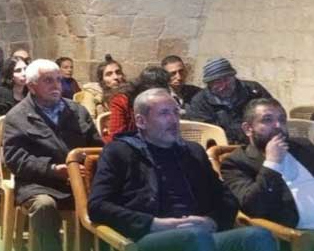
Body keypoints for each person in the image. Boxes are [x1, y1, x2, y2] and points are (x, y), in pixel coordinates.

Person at [88, 89, 276, 251]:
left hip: (201, 235)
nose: (174, 120)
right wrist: (153, 224)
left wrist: (211, 221)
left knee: (257, 235)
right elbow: (98, 206)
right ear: (141, 121)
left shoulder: (192, 152)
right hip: (147, 238)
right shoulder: (120, 152)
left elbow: (226, 199)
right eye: (164, 113)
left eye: (176, 112)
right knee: (193, 237)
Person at [3, 59, 102, 251]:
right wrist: (53, 169)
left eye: (58, 80)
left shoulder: (77, 111)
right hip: (38, 184)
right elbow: (15, 159)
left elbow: (96, 147)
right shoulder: (17, 116)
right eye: (48, 80)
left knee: (108, 200)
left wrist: (86, 167)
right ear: (32, 86)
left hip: (79, 181)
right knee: (44, 206)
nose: (56, 85)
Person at [221, 98, 314, 231]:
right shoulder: (236, 163)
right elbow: (253, 207)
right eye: (267, 120)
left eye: (282, 119)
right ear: (248, 129)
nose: (278, 125)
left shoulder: (302, 145)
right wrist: (272, 163)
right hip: (299, 233)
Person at [186, 57, 273, 144]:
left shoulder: (253, 90)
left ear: (234, 77)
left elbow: (272, 114)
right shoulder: (200, 102)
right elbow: (207, 131)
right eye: (217, 82)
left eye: (226, 79)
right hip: (222, 146)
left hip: (258, 141)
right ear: (209, 84)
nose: (223, 86)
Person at [97, 55, 133, 143]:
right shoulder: (100, 97)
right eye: (109, 74)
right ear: (102, 80)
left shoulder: (123, 98)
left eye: (118, 72)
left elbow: (116, 135)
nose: (116, 77)